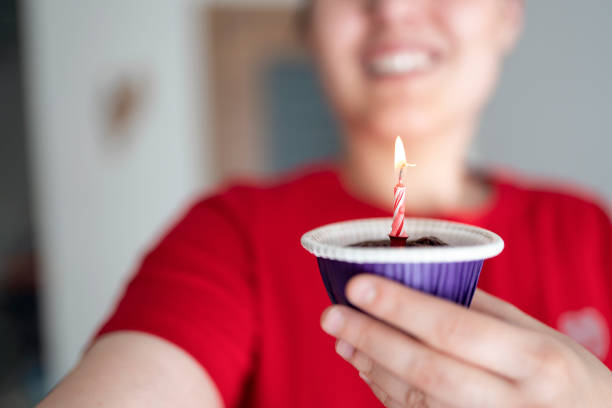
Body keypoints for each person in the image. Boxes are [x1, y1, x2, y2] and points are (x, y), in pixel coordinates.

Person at [38, 0, 612, 407]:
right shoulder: (230, 234)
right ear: (309, 26)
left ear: (508, 14)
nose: (392, 6)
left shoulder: (588, 230)